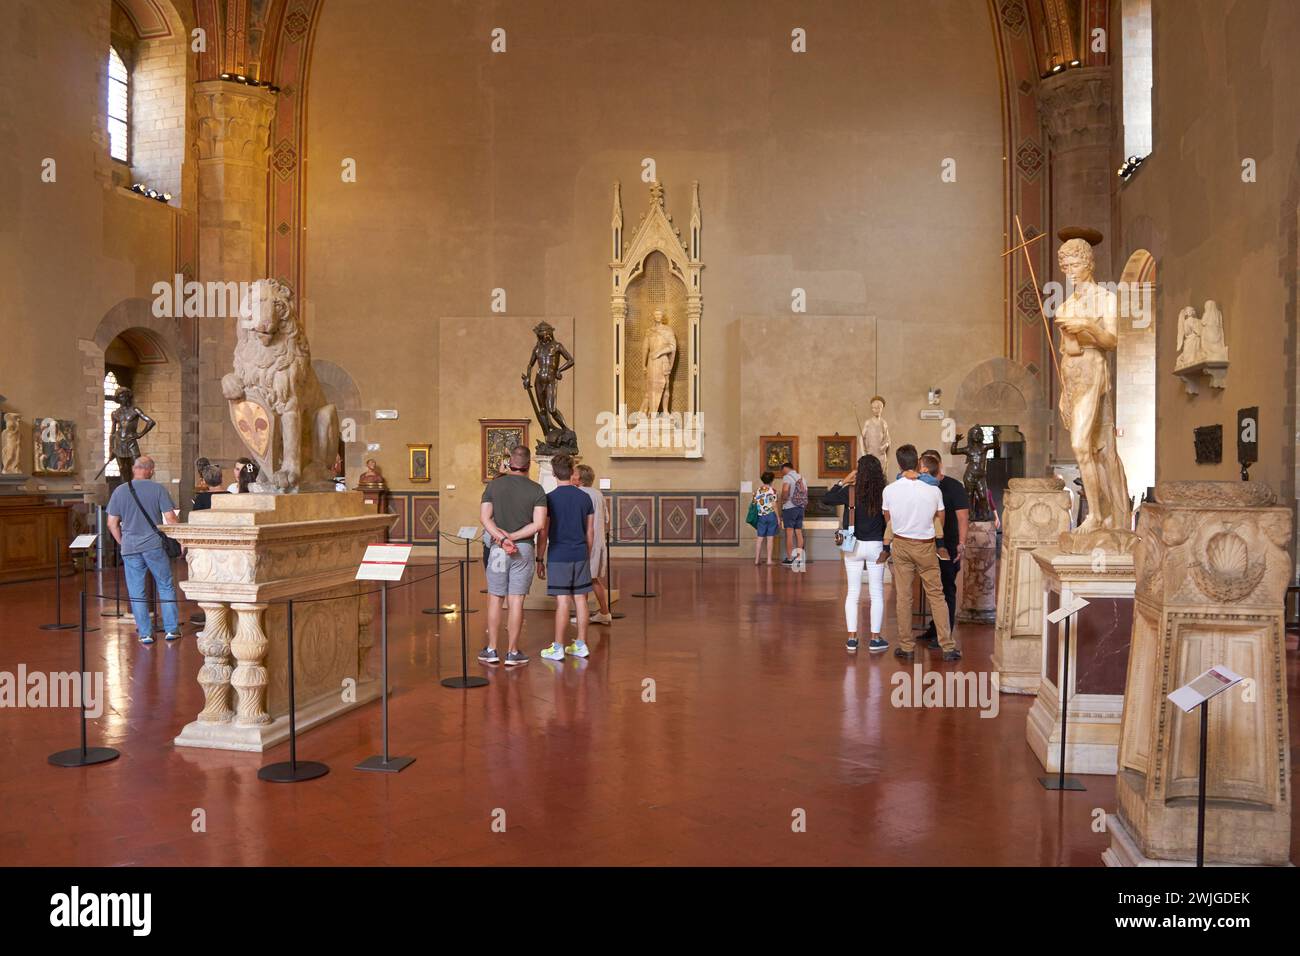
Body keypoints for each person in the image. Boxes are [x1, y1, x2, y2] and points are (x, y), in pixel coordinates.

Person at [881, 444, 960, 662]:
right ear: (917, 462)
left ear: (899, 464)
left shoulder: (890, 490)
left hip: (902, 544)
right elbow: (940, 519)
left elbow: (888, 518)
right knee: (937, 596)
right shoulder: (933, 490)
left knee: (904, 597)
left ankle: (906, 647)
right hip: (926, 545)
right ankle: (947, 647)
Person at [478, 445, 547, 666]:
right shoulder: (537, 490)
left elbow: (485, 518)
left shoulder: (494, 486)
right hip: (523, 549)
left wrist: (501, 538)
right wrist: (514, 537)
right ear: (529, 465)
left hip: (498, 549)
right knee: (516, 600)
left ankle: (491, 649)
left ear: (510, 463)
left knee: (496, 598)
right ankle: (512, 652)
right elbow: (539, 524)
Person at [105, 455, 182, 645]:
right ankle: (172, 629)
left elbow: (111, 523)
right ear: (150, 470)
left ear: (134, 469)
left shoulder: (120, 491)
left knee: (136, 591)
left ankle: (145, 633)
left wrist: (122, 542)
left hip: (130, 546)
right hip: (154, 545)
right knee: (165, 585)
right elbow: (171, 518)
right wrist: (181, 539)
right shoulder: (158, 489)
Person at [824, 455, 888, 653]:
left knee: (853, 593)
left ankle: (852, 638)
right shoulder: (884, 492)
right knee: (876, 593)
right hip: (877, 544)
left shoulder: (849, 491)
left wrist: (844, 480)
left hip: (853, 545)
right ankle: (875, 639)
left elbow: (827, 499)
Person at [536, 454, 595, 661]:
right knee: (581, 599)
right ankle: (581, 644)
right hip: (580, 552)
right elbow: (590, 532)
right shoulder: (585, 497)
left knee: (563, 601)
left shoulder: (549, 499)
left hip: (558, 554)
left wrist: (539, 558)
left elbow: (544, 532)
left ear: (553, 473)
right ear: (572, 472)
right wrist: (586, 553)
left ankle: (559, 646)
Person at [919, 449, 968, 648]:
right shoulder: (921, 485)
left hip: (948, 544)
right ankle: (934, 628)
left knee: (947, 588)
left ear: (937, 466)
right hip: (926, 545)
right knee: (933, 590)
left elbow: (963, 517)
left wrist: (962, 543)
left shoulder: (954, 486)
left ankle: (944, 635)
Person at [575, 464, 613, 625]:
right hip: (598, 542)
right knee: (593, 579)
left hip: (585, 541)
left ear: (580, 478)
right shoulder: (598, 494)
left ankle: (582, 615)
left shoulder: (579, 494)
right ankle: (604, 612)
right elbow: (606, 519)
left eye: (574, 474)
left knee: (582, 580)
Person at [778, 461, 807, 563]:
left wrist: (783, 500)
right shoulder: (801, 477)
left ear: (785, 468)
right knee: (798, 532)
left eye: (781, 470)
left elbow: (785, 491)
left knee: (789, 533)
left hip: (790, 507)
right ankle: (799, 558)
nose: (781, 473)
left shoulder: (787, 477)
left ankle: (790, 558)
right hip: (800, 507)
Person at [753, 471, 779, 565]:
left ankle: (756, 560)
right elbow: (774, 505)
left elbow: (755, 503)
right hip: (771, 515)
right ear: (772, 480)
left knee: (759, 538)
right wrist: (778, 518)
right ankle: (769, 560)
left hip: (761, 516)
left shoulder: (758, 490)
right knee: (770, 538)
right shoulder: (772, 491)